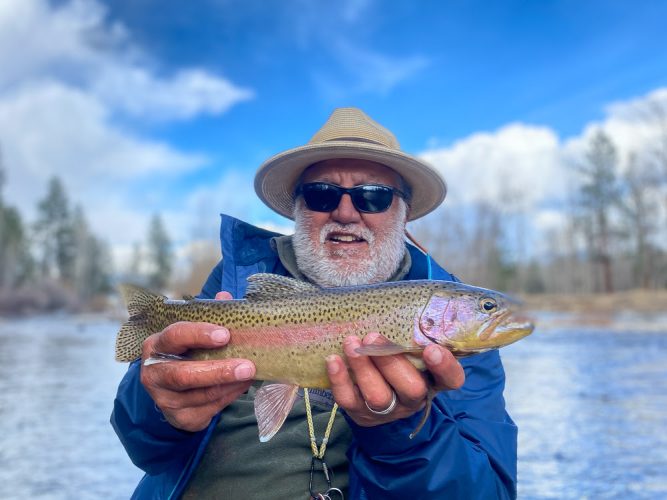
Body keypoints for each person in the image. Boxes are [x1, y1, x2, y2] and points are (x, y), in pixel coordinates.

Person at [111, 107, 518, 499]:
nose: (345, 211)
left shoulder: (458, 331)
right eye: (321, 194)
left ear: (405, 213)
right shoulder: (236, 279)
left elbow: (487, 493)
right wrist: (156, 404)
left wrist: (404, 434)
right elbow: (145, 448)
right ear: (296, 208)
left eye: (373, 196)